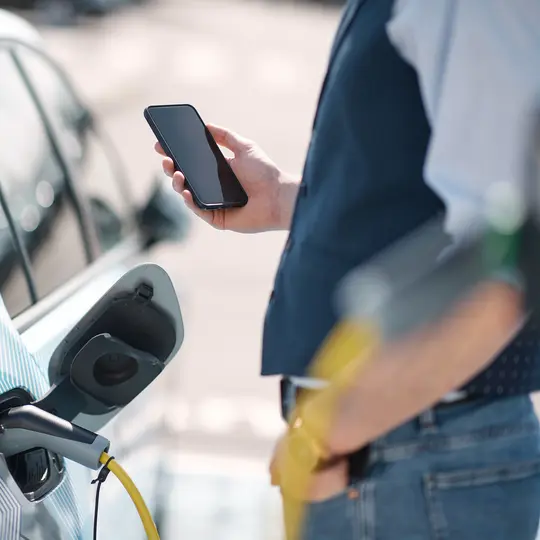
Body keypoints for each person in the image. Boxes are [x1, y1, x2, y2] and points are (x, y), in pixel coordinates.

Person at [155, 0, 540, 538]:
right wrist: (282, 198)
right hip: (400, 450)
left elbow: (506, 259)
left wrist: (326, 436)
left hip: (413, 450)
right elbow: (431, 207)